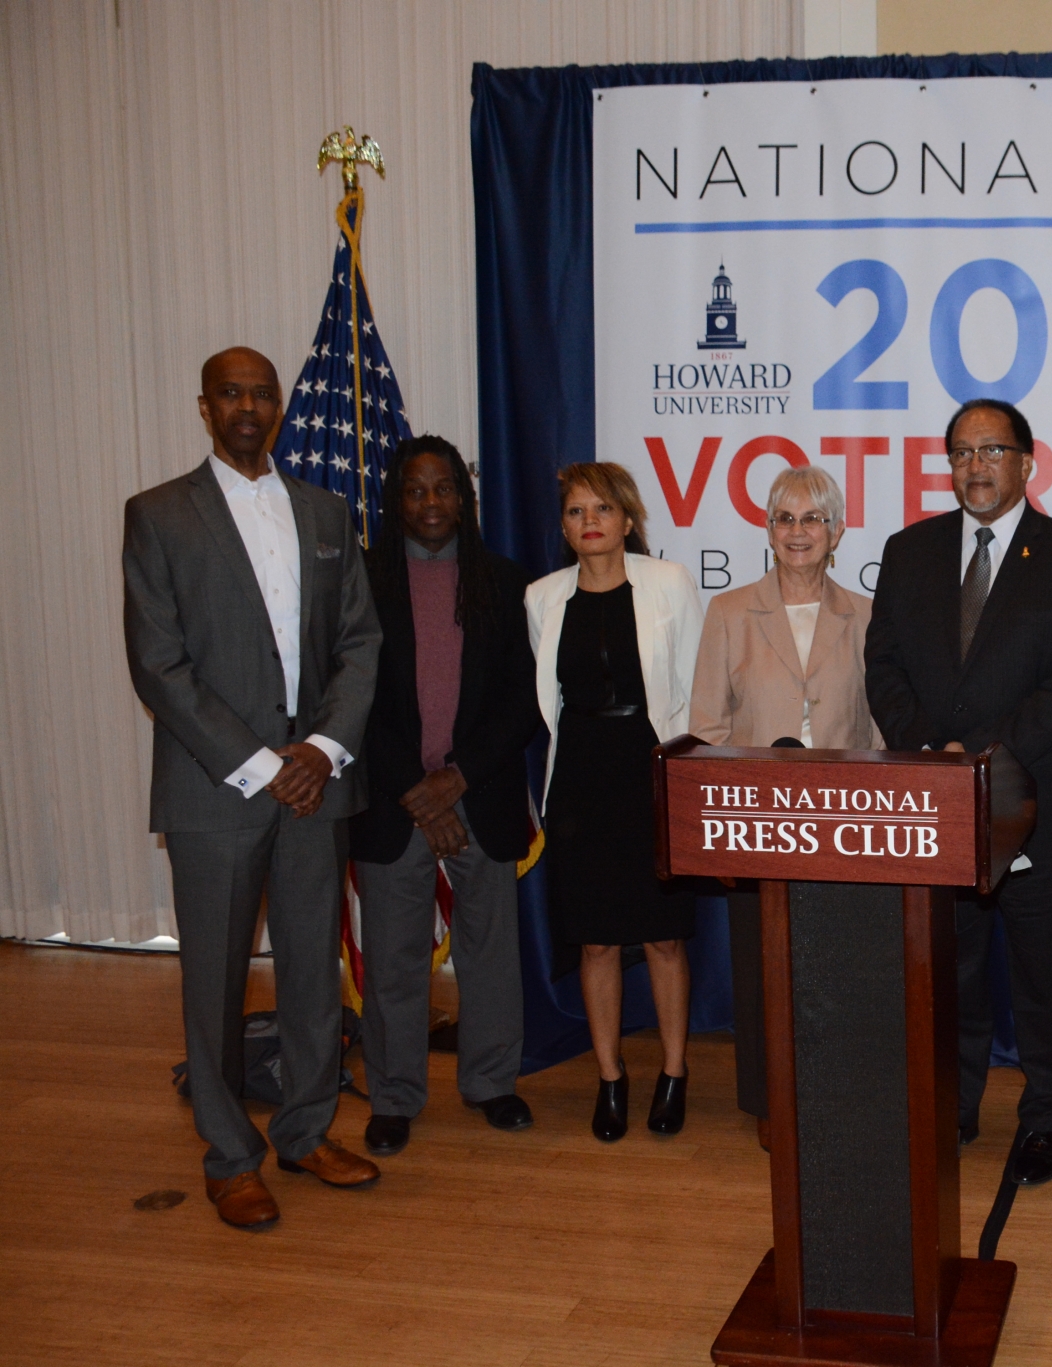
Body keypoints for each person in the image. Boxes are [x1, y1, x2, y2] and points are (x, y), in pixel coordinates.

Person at [122, 346, 384, 1230]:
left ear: (278, 405)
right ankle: (231, 1156)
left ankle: (307, 1131)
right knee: (216, 980)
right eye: (230, 392)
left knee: (313, 971)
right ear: (204, 407)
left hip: (317, 786)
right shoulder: (159, 515)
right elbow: (160, 665)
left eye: (261, 392)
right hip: (216, 791)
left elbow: (360, 643)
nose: (248, 405)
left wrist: (320, 748)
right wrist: (268, 763)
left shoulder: (325, 511)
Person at [866, 398, 1052, 1184]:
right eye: (963, 451)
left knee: (1046, 975)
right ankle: (954, 1105)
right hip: (936, 806)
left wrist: (977, 755)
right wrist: (929, 753)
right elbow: (884, 666)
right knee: (952, 971)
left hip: (1037, 805)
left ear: (1027, 460)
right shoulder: (909, 552)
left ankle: (1047, 1116)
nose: (977, 465)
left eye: (993, 450)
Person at [351, 436, 541, 1158]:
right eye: (416, 490)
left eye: (445, 490)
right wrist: (417, 790)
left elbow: (523, 700)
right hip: (394, 799)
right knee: (393, 955)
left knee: (490, 950)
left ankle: (492, 1083)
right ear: (396, 500)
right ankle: (395, 1094)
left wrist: (457, 779)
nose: (432, 503)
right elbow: (356, 701)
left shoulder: (502, 579)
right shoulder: (364, 582)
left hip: (480, 790)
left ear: (465, 499)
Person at [690, 465, 876, 1146]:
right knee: (765, 964)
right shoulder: (730, 612)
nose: (798, 532)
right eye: (785, 518)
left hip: (846, 825)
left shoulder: (865, 613)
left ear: (838, 531)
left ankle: (836, 1091)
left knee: (838, 964)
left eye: (813, 518)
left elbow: (879, 729)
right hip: (757, 824)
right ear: (767, 529)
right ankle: (773, 1100)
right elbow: (707, 727)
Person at [525, 462, 704, 1143]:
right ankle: (610, 1076)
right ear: (565, 527)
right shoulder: (542, 597)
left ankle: (674, 1070)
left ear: (629, 520)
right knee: (596, 939)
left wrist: (685, 783)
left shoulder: (668, 584)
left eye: (602, 508)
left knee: (662, 935)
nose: (588, 521)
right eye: (575, 511)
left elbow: (692, 687)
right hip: (579, 779)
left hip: (651, 769)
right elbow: (553, 699)